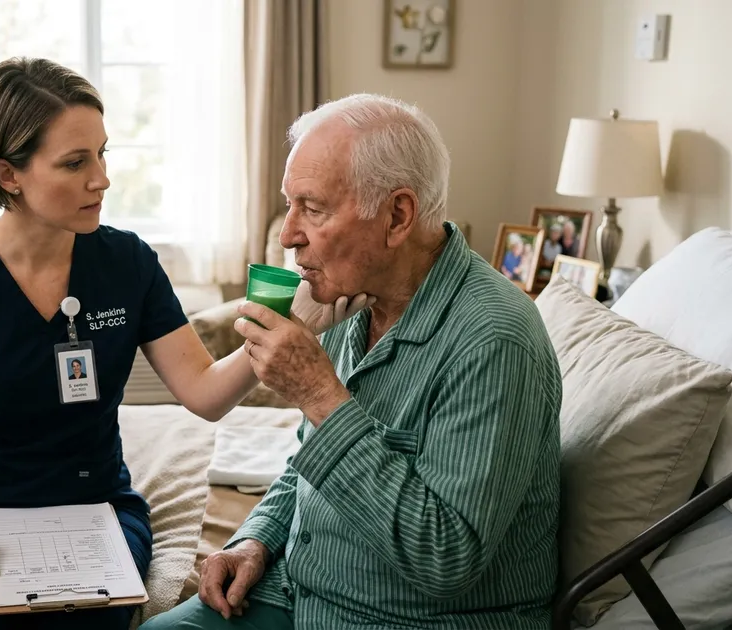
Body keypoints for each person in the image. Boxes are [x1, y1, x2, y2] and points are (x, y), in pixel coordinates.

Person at [0, 57, 372, 630]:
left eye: (102, 153)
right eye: (75, 162)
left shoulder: (126, 263)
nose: (102, 179)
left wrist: (292, 326)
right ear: (8, 174)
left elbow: (205, 393)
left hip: (94, 512)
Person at [140, 94, 562, 629]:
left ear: (397, 216)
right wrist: (255, 540)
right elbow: (308, 464)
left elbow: (445, 559)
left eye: (313, 208)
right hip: (301, 592)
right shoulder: (350, 300)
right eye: (289, 204)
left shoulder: (494, 340)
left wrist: (320, 395)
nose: (288, 235)